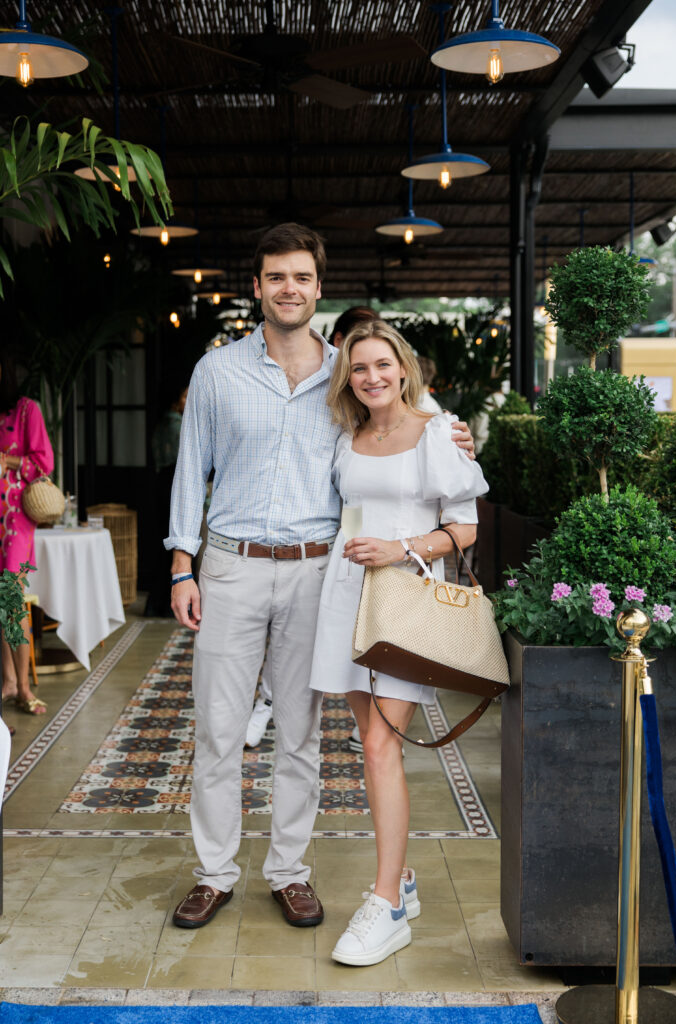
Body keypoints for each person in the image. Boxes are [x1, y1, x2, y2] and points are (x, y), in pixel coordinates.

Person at [165, 223, 475, 931]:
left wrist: (449, 429)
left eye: (301, 277)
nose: (288, 289)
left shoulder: (345, 373)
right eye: (276, 277)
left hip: (316, 574)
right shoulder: (217, 371)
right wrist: (182, 566)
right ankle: (214, 873)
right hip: (231, 567)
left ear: (317, 287)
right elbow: (191, 472)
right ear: (256, 287)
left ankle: (288, 872)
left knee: (300, 733)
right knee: (218, 730)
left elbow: (397, 416)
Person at [309, 319, 488, 966]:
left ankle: (385, 904)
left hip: (404, 600)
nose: (372, 376)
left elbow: (463, 528)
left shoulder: (437, 431)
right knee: (369, 742)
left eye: (383, 364)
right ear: (347, 377)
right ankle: (401, 880)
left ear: (404, 368)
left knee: (383, 742)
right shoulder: (348, 434)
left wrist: (400, 548)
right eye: (359, 368)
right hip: (346, 595)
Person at [244, 304, 378, 753]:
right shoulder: (324, 385)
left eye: (378, 360)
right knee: (294, 647)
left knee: (350, 637)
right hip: (314, 542)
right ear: (336, 345)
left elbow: (421, 417)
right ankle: (265, 703)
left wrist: (449, 433)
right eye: (354, 356)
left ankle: (368, 714)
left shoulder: (370, 398)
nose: (366, 371)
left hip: (363, 541)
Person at [0, 352, 53, 715]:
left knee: (11, 600)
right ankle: (8, 681)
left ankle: (22, 684)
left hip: (16, 520)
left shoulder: (26, 411)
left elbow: (44, 462)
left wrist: (8, 460)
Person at [144, 379, 189, 617]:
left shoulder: (162, 423)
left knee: (163, 540)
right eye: (184, 397)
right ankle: (165, 603)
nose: (188, 401)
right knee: (172, 541)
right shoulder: (177, 426)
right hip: (173, 482)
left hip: (162, 483)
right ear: (175, 400)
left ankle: (156, 602)